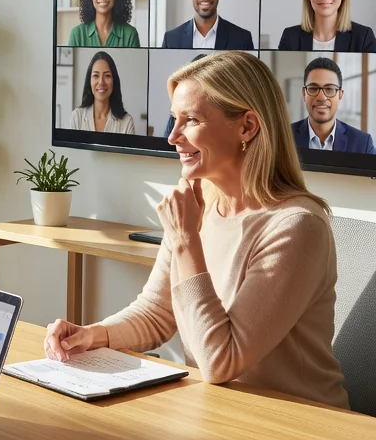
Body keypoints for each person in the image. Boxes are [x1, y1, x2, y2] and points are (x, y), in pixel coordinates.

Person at [46, 50, 348, 409]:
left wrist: (185, 239)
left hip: (300, 425)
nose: (173, 136)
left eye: (190, 120)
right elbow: (156, 312)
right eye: (174, 119)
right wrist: (92, 335)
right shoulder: (198, 202)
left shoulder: (297, 226)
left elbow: (221, 361)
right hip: (221, 412)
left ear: (247, 127)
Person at [291, 56, 376, 154]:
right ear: (304, 93)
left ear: (340, 94)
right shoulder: (284, 135)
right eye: (313, 88)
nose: (321, 97)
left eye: (329, 89)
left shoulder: (363, 144)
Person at [69, 50, 136, 134]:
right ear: (89, 80)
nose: (101, 82)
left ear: (114, 81)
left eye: (107, 76)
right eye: (96, 75)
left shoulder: (127, 122)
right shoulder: (77, 117)